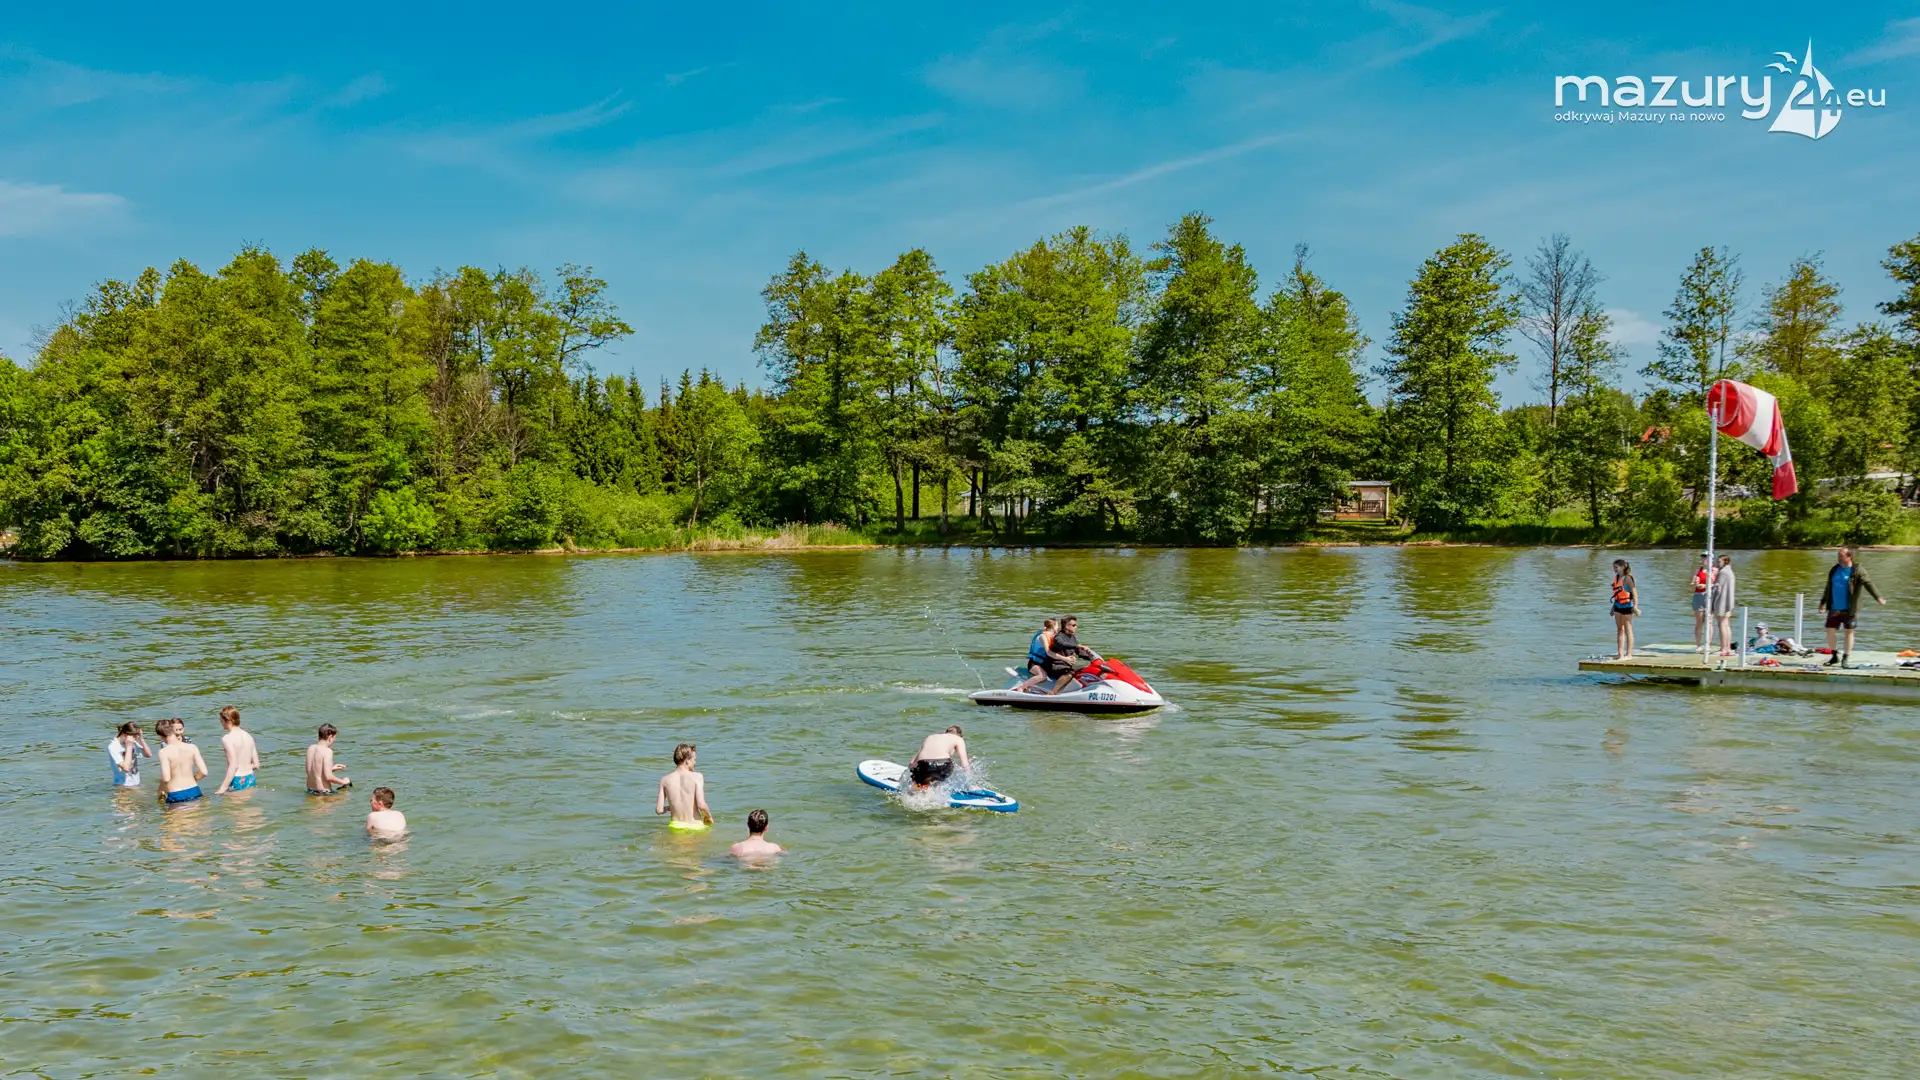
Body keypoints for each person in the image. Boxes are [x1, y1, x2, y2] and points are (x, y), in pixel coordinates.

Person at [1818, 546, 1885, 668]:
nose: (1838, 557)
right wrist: (1823, 603)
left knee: (1849, 632)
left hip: (1850, 608)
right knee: (1829, 630)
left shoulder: (1857, 570)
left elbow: (1868, 583)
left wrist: (1878, 597)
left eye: (1841, 555)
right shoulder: (1834, 569)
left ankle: (1846, 658)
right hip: (1834, 607)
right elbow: (1828, 587)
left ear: (1849, 557)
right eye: (1838, 555)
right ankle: (1834, 656)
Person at [655, 743, 713, 831]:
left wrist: (668, 808)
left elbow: (659, 810)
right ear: (687, 761)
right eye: (694, 760)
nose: (695, 763)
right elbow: (701, 805)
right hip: (695, 826)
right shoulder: (697, 776)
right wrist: (709, 816)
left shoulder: (665, 780)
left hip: (675, 826)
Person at [155, 717, 208, 805]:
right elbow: (204, 772)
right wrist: (193, 779)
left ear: (160, 736)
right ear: (173, 730)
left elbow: (166, 778)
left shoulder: (163, 752)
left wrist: (160, 791)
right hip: (194, 790)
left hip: (176, 794)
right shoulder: (192, 747)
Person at [1045, 615, 1103, 694]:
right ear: (1066, 626)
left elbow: (1078, 652)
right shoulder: (1058, 637)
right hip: (1056, 665)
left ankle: (1081, 688)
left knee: (1086, 669)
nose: (1076, 627)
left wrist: (1093, 657)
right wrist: (1078, 646)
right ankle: (1053, 692)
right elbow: (1062, 644)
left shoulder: (1072, 637)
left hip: (1067, 665)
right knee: (1069, 673)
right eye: (1074, 625)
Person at [215, 706, 260, 794]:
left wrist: (222, 788)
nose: (220, 722)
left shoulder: (227, 738)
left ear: (227, 720)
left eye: (221, 720)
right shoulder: (248, 736)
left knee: (231, 803)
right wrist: (245, 767)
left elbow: (234, 766)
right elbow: (256, 765)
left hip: (238, 779)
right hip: (250, 777)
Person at [1013, 618, 1058, 693]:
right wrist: (1065, 658)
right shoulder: (1043, 636)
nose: (1058, 627)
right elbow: (1048, 652)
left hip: (1044, 664)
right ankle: (1021, 687)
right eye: (1057, 625)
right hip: (1034, 664)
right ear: (1054, 626)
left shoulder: (1053, 636)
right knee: (1042, 676)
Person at [305, 723, 352, 795]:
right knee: (347, 796)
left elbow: (311, 772)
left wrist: (331, 769)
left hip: (310, 790)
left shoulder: (311, 748)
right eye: (334, 738)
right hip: (323, 792)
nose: (334, 740)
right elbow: (329, 777)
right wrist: (344, 781)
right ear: (330, 737)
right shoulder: (327, 751)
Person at [1609, 559, 1639, 660]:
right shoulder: (1616, 578)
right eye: (1614, 567)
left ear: (1622, 567)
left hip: (1627, 607)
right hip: (1618, 606)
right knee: (1619, 630)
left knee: (1628, 630)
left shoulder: (1628, 578)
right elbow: (1616, 595)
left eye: (1616, 567)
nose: (1614, 569)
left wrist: (1635, 606)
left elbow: (1634, 594)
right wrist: (1613, 608)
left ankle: (1629, 654)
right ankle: (1620, 654)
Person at [108, 722, 151, 789]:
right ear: (125, 735)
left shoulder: (132, 742)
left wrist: (141, 739)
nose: (135, 739)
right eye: (134, 737)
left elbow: (148, 755)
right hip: (123, 785)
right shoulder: (113, 747)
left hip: (136, 783)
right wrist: (129, 746)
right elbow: (126, 768)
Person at [1710, 554, 1737, 657]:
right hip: (1728, 602)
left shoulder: (1723, 572)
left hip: (1722, 602)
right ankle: (1727, 648)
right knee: (1726, 624)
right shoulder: (1730, 571)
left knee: (1722, 624)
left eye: (1719, 562)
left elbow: (1717, 588)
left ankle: (1723, 648)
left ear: (1725, 562)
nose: (1717, 563)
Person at [1691, 553, 1711, 652]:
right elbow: (1692, 585)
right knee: (1699, 622)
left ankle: (1708, 644)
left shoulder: (1714, 570)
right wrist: (1695, 584)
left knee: (1709, 621)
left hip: (1710, 596)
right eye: (1703, 558)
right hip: (1698, 596)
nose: (1704, 559)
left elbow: (1717, 584)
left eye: (1706, 558)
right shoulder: (1697, 570)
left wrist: (1706, 586)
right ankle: (1698, 645)